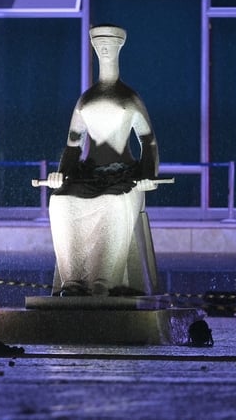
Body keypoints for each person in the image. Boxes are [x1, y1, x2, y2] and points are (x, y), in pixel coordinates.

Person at [45, 25, 159, 297]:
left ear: (119, 48)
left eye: (110, 44)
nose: (104, 48)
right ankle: (73, 281)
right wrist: (61, 174)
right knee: (60, 202)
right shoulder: (86, 101)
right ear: (94, 50)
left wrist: (148, 174)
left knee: (112, 203)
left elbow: (149, 141)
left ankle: (101, 282)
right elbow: (74, 145)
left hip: (123, 178)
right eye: (99, 45)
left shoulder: (129, 98)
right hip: (89, 176)